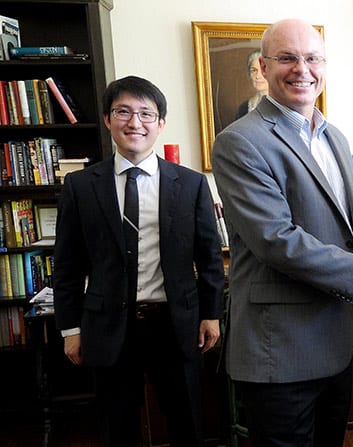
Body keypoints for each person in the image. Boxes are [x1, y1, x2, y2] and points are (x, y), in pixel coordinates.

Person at [211, 19, 353, 446]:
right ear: (263, 68)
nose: (301, 68)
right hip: (280, 352)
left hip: (335, 342)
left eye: (312, 58)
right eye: (287, 58)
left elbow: (341, 231)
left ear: (324, 66)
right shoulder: (240, 141)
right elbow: (276, 239)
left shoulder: (334, 136)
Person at [53, 75, 225, 446]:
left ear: (161, 123)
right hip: (109, 325)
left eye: (146, 114)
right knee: (117, 426)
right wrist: (70, 329)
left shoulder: (191, 183)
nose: (135, 123)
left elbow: (209, 258)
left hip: (175, 324)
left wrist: (211, 314)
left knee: (187, 421)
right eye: (124, 112)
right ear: (107, 118)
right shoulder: (81, 186)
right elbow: (67, 266)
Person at [234, 49, 268, 120]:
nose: (258, 76)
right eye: (254, 70)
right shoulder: (244, 109)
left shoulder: (285, 106)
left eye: (263, 70)